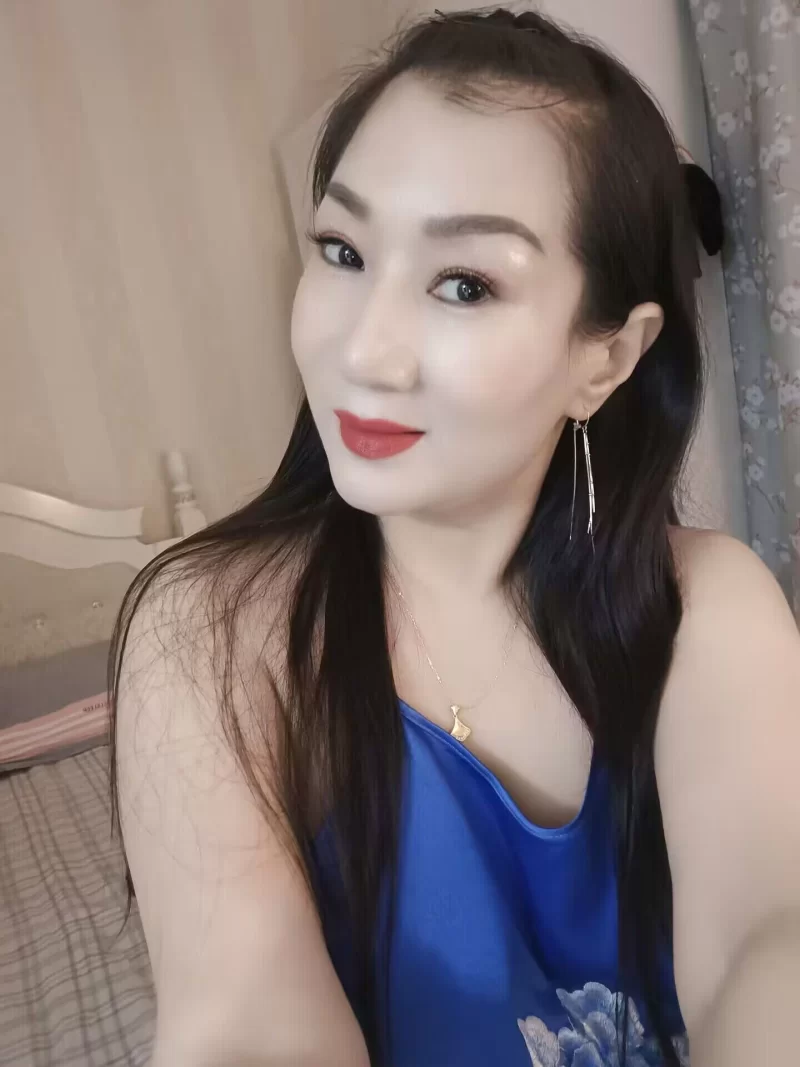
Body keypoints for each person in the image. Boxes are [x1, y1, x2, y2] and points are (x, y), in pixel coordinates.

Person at [109, 8, 800, 1067]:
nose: (363, 350)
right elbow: (241, 1019)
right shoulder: (210, 632)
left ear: (606, 359)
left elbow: (771, 930)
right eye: (342, 251)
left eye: (463, 282)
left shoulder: (709, 608)